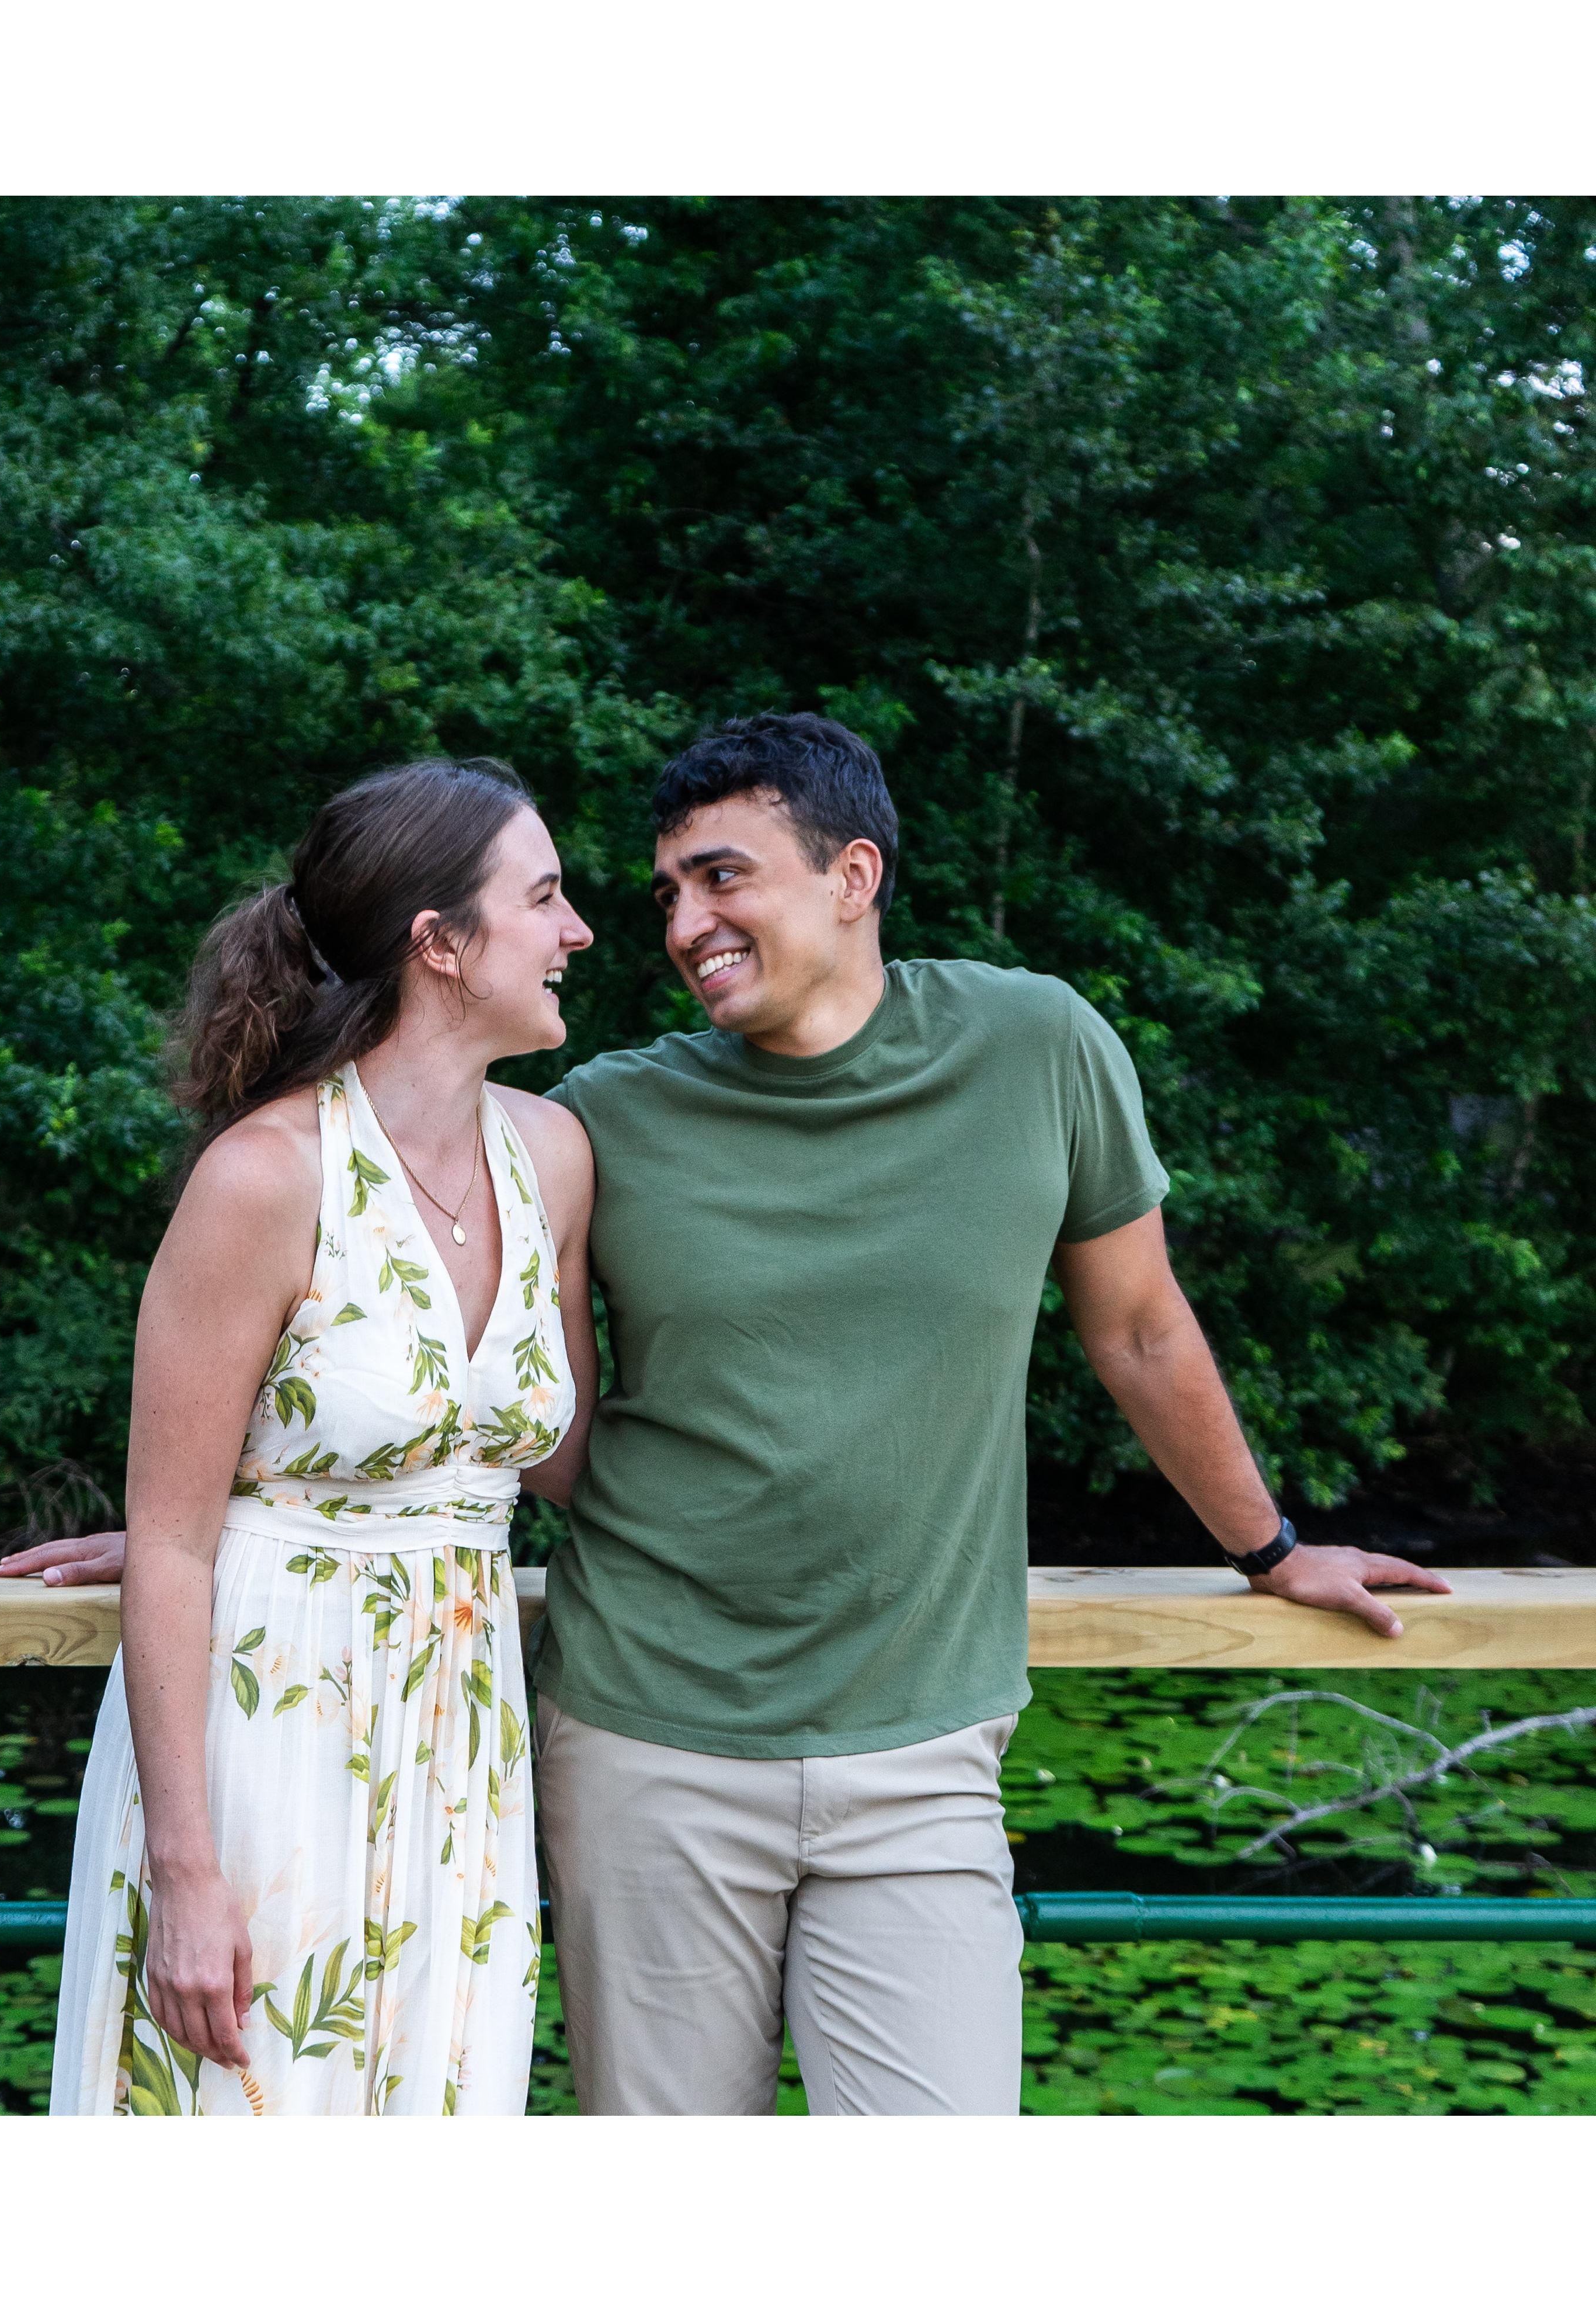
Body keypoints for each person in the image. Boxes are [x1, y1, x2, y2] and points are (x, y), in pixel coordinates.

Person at [527, 710, 1451, 2116]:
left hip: (924, 1748)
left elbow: (1137, 1327)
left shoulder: (1035, 1044)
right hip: (647, 1738)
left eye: (720, 877)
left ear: (851, 875)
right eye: (667, 894)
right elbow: (532, 1422)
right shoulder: (601, 1116)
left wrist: (1267, 1548)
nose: (682, 924)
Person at [5, 756, 597, 2116]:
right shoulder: (265, 1178)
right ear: (439, 942)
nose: (574, 931)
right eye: (544, 897)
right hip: (266, 1732)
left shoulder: (553, 1157)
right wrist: (185, 1870)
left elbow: (561, 1461)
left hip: (463, 1743)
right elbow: (170, 1543)